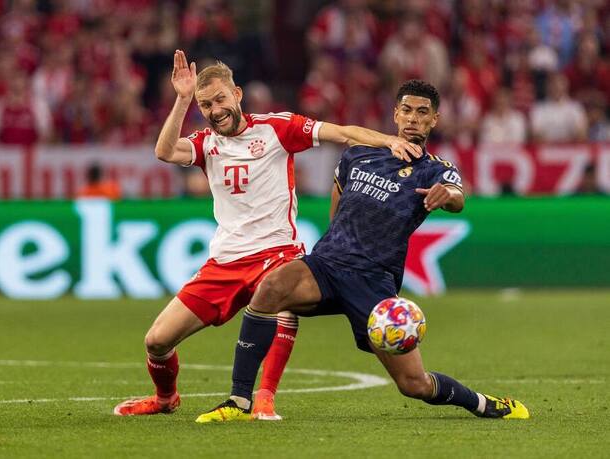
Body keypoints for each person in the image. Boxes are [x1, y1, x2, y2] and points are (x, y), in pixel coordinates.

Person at [113, 50, 422, 419]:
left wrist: (387, 140)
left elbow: (341, 132)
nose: (215, 110)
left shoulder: (277, 128)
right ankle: (166, 399)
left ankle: (263, 397)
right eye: (206, 104)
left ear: (238, 95)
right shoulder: (206, 143)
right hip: (224, 261)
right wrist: (182, 99)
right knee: (156, 341)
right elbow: (164, 151)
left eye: (221, 99)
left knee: (283, 302)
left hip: (277, 251)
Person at [198, 80, 529, 422]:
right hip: (326, 266)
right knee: (270, 289)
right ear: (395, 114)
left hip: (373, 283)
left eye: (422, 113)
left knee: (415, 384)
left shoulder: (436, 169)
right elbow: (337, 200)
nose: (413, 118)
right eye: (406, 110)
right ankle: (240, 401)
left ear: (434, 120)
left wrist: (447, 196)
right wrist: (335, 243)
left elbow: (457, 197)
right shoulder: (359, 153)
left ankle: (482, 403)